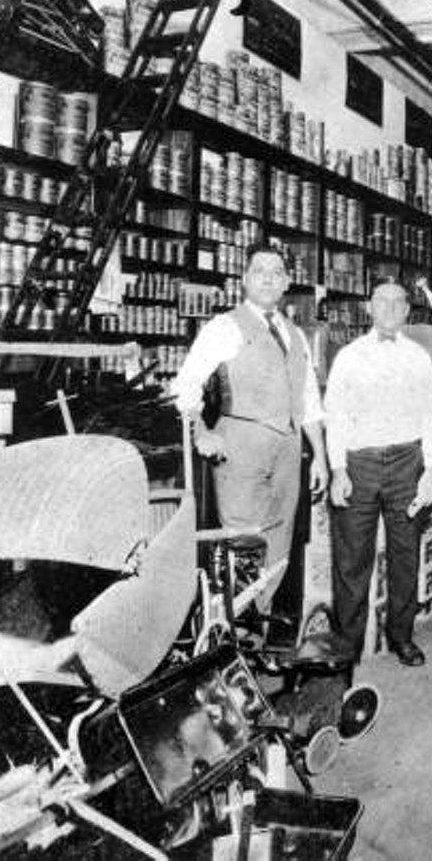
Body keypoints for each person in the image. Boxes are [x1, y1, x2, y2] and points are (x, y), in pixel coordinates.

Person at [172, 244, 327, 610]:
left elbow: (308, 402)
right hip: (241, 445)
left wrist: (319, 456)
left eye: (277, 272)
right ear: (244, 279)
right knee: (241, 540)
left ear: (287, 281)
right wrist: (201, 431)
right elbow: (185, 386)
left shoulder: (296, 334)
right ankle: (234, 637)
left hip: (289, 451)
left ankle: (261, 629)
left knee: (279, 539)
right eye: (260, 271)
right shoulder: (224, 326)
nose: (269, 279)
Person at [324, 281, 432, 666]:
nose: (390, 308)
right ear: (369, 308)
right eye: (382, 301)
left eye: (398, 302)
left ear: (408, 310)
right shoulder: (349, 356)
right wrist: (338, 469)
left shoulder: (419, 358)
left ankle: (402, 636)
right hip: (358, 464)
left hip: (407, 462)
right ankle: (347, 648)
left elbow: (431, 414)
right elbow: (335, 415)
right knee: (351, 560)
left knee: (405, 552)